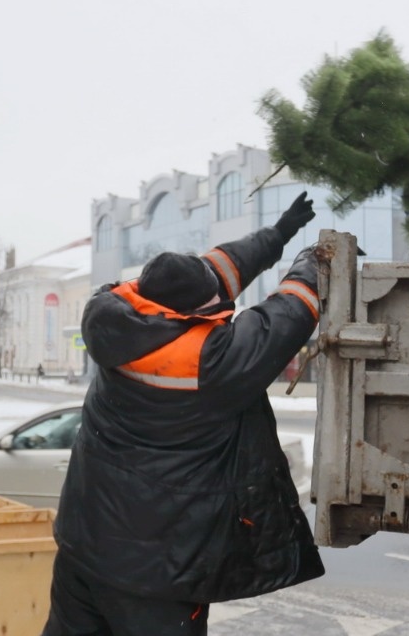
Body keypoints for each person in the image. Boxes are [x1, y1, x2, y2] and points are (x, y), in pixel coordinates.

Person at [42, 192, 324, 636]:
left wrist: (278, 234)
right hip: (157, 577)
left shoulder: (118, 313)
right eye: (215, 310)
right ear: (188, 316)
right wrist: (315, 261)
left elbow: (215, 270)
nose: (223, 313)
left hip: (82, 553)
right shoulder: (207, 362)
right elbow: (288, 314)